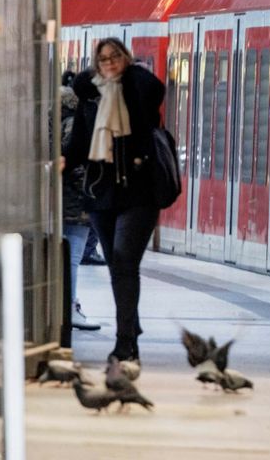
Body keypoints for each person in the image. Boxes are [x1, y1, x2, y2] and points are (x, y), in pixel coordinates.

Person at [63, 37, 165, 362]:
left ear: (126, 58)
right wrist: (64, 160)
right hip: (101, 192)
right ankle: (130, 327)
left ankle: (125, 345)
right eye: (103, 59)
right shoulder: (91, 99)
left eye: (115, 57)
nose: (109, 63)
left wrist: (127, 77)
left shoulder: (138, 90)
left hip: (139, 192)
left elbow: (153, 91)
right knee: (115, 265)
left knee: (123, 261)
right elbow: (79, 142)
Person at [60, 71, 101, 331]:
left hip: (63, 202)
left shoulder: (57, 117)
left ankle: (66, 307)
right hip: (76, 203)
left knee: (67, 257)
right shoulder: (80, 120)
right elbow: (76, 163)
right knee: (72, 258)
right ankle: (70, 308)